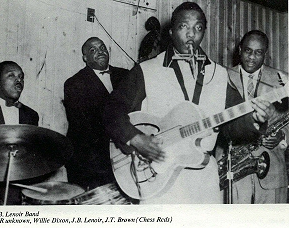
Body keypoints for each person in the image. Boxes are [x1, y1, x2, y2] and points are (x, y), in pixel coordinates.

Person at [103, 2, 228, 204]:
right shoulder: (146, 69)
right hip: (158, 178)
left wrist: (255, 120)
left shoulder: (220, 75)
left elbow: (237, 128)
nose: (191, 34)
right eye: (184, 27)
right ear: (170, 31)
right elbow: (111, 110)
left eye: (198, 28)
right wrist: (135, 138)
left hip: (204, 181)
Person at [220, 30, 289, 203]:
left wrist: (283, 136)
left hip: (272, 172)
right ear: (240, 50)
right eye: (248, 51)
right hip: (233, 171)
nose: (252, 57)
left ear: (265, 54)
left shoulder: (281, 80)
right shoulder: (221, 77)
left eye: (258, 53)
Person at [64, 37, 129, 190]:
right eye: (93, 50)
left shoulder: (126, 75)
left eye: (102, 48)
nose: (100, 52)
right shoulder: (74, 83)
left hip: (123, 153)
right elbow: (84, 125)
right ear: (85, 58)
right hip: (90, 159)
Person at [0, 61, 39, 205]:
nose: (19, 80)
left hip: (20, 192)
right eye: (11, 75)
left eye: (21, 77)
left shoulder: (31, 115)